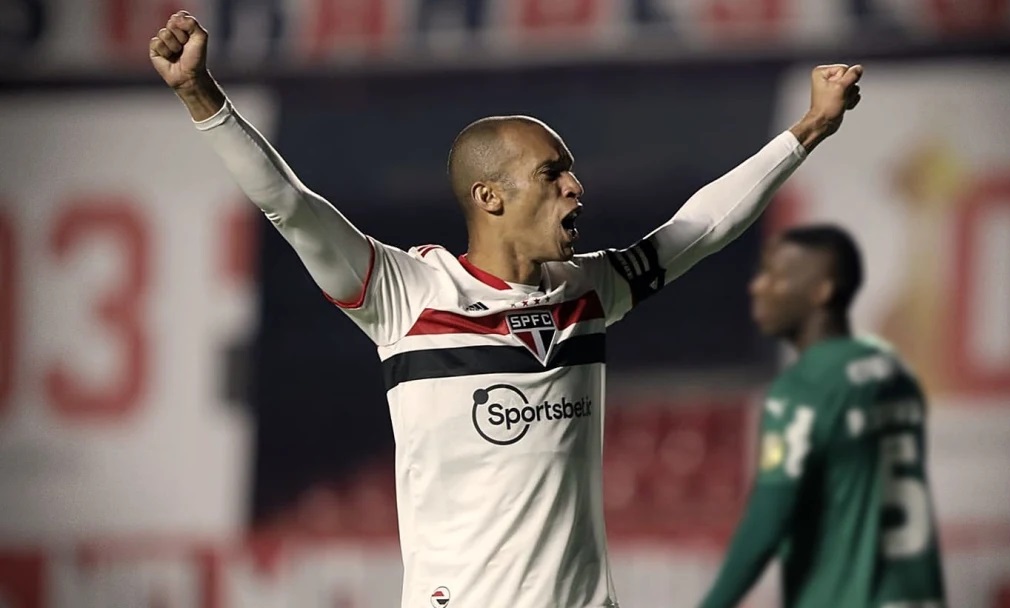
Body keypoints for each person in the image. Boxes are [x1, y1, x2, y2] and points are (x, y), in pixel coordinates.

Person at [149, 11, 863, 608]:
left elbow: (698, 231)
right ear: (490, 197)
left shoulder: (586, 292)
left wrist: (806, 131)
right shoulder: (407, 296)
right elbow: (289, 206)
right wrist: (202, 97)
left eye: (571, 172)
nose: (576, 188)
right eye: (553, 175)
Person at [698, 225, 947, 608]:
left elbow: (767, 519)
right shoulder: (895, 371)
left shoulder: (803, 389)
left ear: (822, 292)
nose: (757, 287)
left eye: (775, 277)